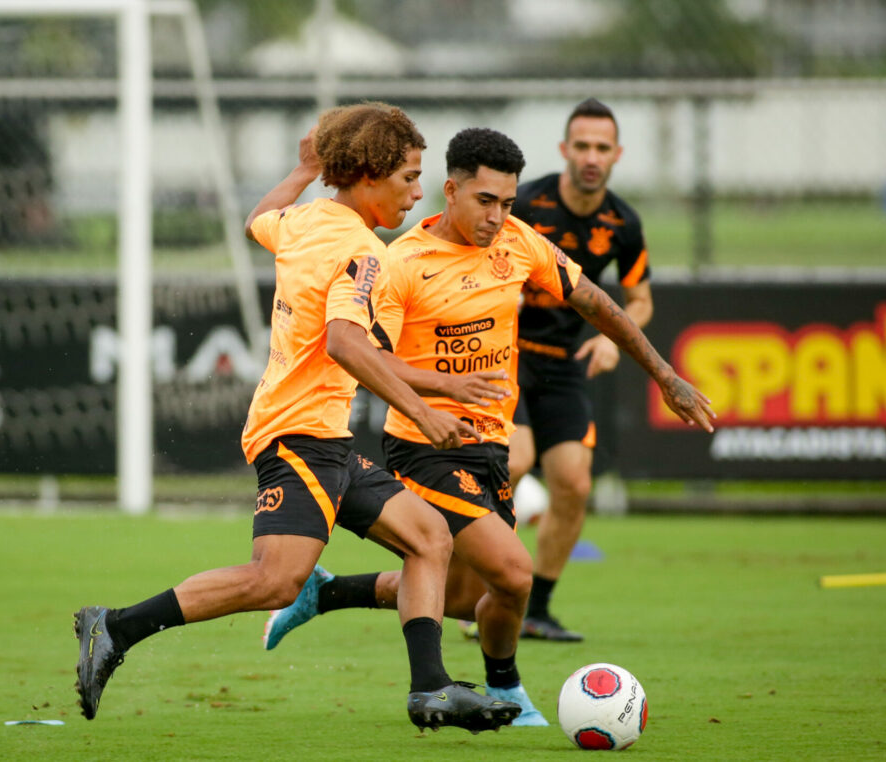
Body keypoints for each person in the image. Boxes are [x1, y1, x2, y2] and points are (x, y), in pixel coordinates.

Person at [72, 102, 521, 734]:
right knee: (277, 582)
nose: (418, 194)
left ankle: (432, 689)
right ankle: (115, 626)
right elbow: (345, 343)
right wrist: (423, 410)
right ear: (368, 173)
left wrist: (302, 170)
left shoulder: (307, 219)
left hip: (324, 436)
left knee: (429, 537)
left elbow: (259, 220)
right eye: (409, 178)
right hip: (297, 434)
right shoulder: (361, 251)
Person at [260, 127, 715, 726]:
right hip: (424, 445)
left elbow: (597, 304)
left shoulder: (520, 243)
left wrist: (665, 376)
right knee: (514, 574)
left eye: (507, 202)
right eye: (485, 201)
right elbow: (373, 359)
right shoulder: (399, 264)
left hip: (489, 446)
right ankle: (506, 686)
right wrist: (441, 390)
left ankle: (329, 592)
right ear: (450, 191)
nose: (498, 216)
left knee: (460, 599)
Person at [505, 98, 653, 642]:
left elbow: (640, 301)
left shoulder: (623, 223)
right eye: (582, 146)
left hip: (566, 365)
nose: (592, 156)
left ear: (617, 155)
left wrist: (610, 340)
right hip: (507, 354)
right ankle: (487, 592)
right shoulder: (524, 204)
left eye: (602, 147)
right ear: (565, 150)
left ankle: (535, 609)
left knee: (573, 483)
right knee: (515, 461)